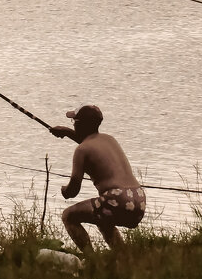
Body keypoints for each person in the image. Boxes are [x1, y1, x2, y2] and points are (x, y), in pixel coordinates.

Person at [49, 104, 145, 252]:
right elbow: (91, 143)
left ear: (80, 124)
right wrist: (67, 132)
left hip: (117, 199)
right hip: (138, 198)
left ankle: (91, 260)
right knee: (103, 218)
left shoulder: (81, 150)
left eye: (74, 121)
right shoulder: (109, 139)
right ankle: (124, 258)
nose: (73, 124)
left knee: (68, 216)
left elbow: (74, 189)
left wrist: (65, 191)